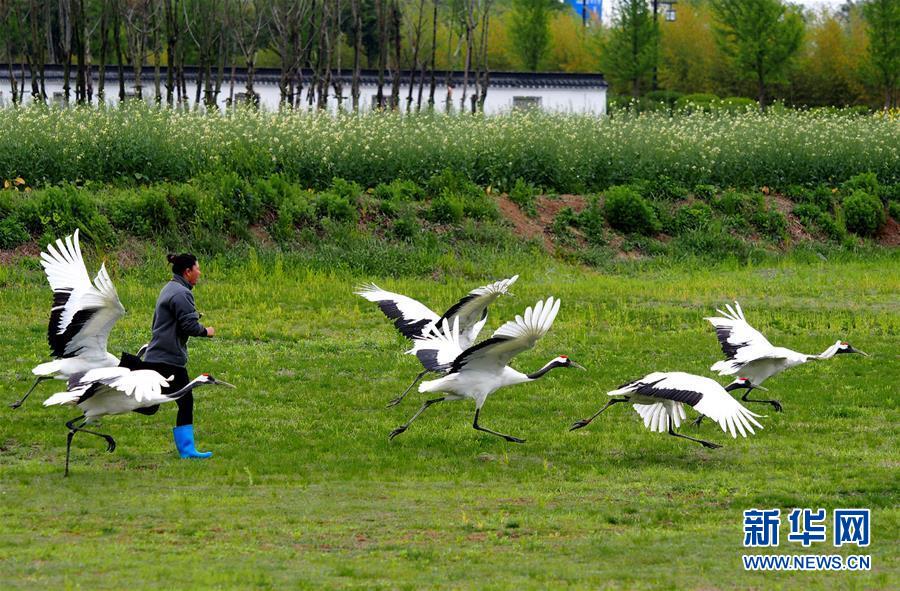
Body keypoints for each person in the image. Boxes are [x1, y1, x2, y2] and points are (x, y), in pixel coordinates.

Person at [141, 253, 216, 459]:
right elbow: (189, 326)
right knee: (174, 402)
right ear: (187, 272)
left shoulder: (170, 288)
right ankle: (187, 451)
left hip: (160, 356)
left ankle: (187, 450)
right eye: (197, 269)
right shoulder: (182, 293)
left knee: (153, 406)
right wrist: (206, 331)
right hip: (167, 359)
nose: (200, 272)